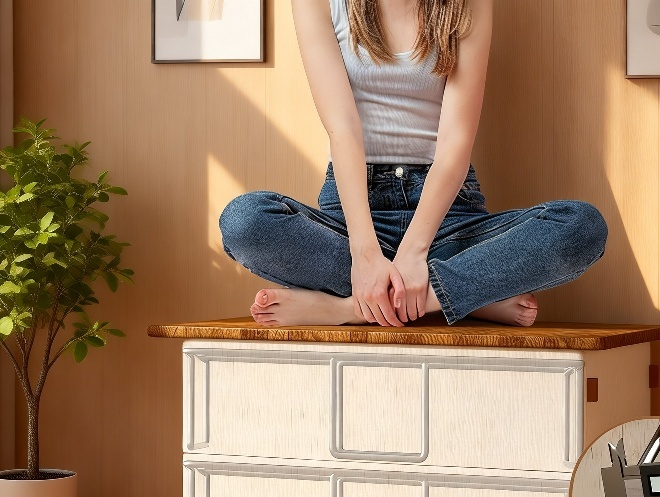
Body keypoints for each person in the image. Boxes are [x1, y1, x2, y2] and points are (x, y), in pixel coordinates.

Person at [219, 0, 608, 328]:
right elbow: (344, 130)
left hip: (447, 218)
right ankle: (463, 294)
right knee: (244, 221)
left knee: (581, 227)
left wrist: (413, 253)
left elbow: (456, 141)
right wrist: (366, 254)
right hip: (354, 218)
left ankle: (351, 307)